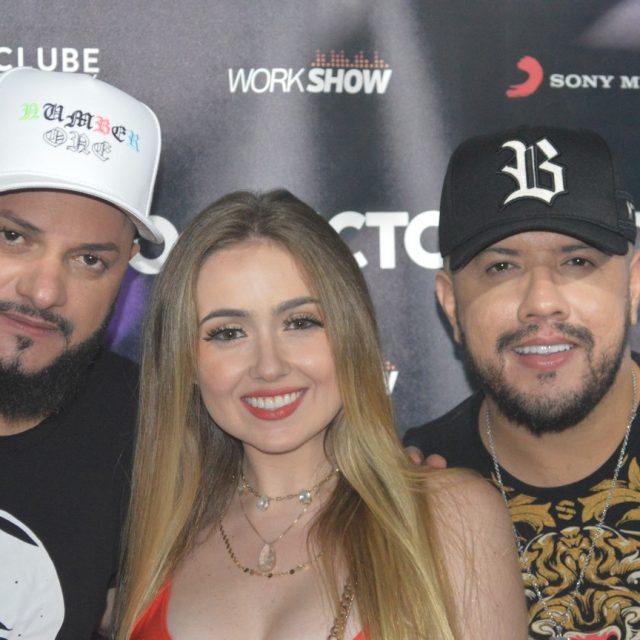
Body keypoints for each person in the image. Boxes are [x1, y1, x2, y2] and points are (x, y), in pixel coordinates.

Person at [115, 189, 527, 640]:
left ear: (351, 336)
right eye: (228, 332)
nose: (269, 366)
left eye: (300, 323)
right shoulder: (156, 540)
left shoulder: (449, 517)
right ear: (185, 362)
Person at [403, 125, 640, 639]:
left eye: (577, 261)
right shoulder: (412, 489)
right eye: (501, 267)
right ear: (451, 305)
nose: (541, 301)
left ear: (634, 284)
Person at [0, 66, 163, 639]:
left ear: (125, 272)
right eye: (13, 237)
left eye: (89, 260)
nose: (44, 292)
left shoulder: (149, 432)